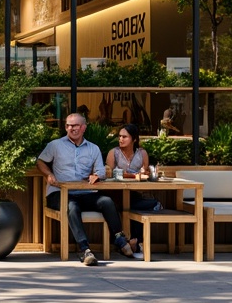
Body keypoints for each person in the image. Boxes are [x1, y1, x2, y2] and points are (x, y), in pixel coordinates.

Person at [36, 112, 136, 265]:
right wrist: (48, 174)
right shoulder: (55, 145)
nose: (71, 128)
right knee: (72, 206)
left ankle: (120, 240)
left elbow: (101, 171)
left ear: (83, 127)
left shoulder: (93, 149)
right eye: (68, 126)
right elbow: (40, 162)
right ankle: (85, 250)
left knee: (107, 201)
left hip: (85, 192)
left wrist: (96, 175)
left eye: (75, 125)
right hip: (59, 193)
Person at [106, 124, 162, 257]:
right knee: (150, 204)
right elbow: (110, 173)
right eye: (119, 136)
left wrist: (145, 172)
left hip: (135, 192)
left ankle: (133, 241)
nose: (120, 139)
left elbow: (145, 172)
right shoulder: (113, 153)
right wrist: (133, 175)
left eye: (124, 137)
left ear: (134, 139)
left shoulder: (142, 153)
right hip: (116, 193)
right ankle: (136, 241)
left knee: (136, 208)